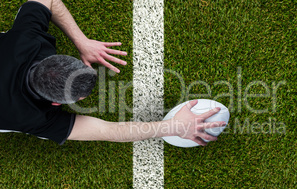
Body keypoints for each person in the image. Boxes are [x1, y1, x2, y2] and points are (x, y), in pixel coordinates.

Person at [0, 0, 226, 146]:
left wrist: (82, 41)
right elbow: (108, 130)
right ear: (56, 104)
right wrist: (173, 127)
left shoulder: (26, 39)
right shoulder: (32, 118)